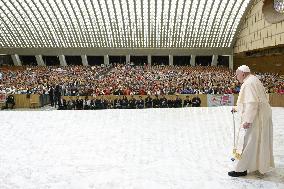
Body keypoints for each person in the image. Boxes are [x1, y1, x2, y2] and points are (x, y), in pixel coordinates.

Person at [228, 65, 274, 177]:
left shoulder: (248, 83)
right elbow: (251, 101)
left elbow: (252, 103)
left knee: (249, 142)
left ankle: (241, 169)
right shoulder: (254, 80)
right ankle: (256, 165)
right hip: (260, 116)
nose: (236, 76)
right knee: (256, 142)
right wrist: (237, 108)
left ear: (243, 74)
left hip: (256, 118)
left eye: (237, 74)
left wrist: (248, 120)